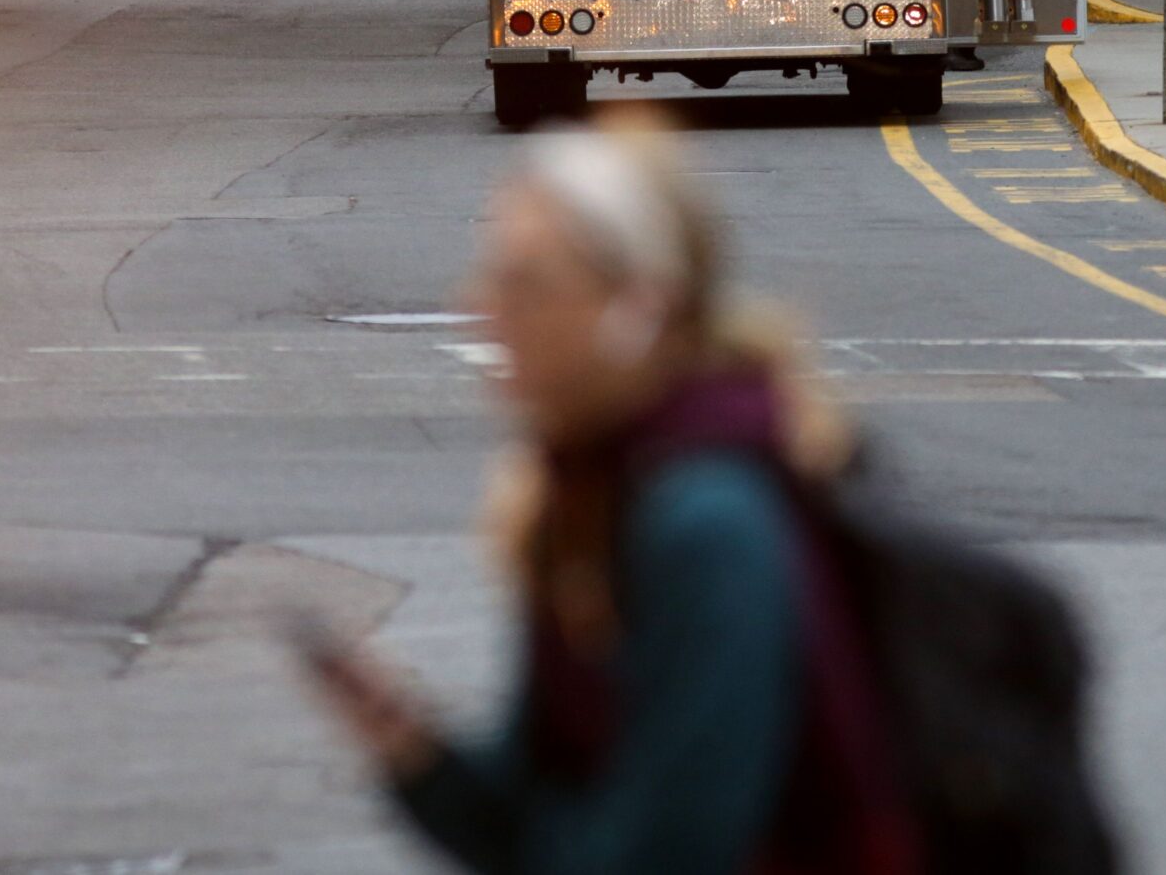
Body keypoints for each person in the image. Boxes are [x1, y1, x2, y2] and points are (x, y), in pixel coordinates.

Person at [302, 120, 914, 875]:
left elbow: (667, 846)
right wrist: (413, 751)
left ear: (638, 308)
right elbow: (540, 801)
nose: (480, 306)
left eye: (525, 281)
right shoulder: (583, 491)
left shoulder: (704, 520)